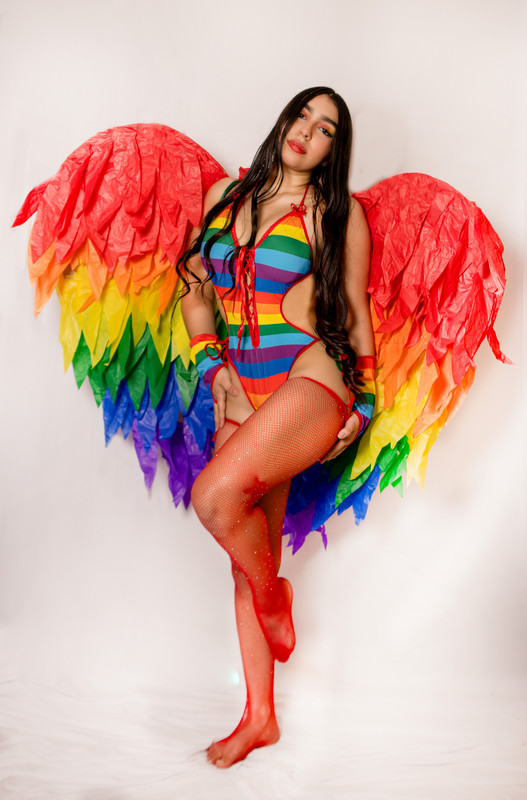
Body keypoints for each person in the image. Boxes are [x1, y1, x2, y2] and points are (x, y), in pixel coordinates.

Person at [177, 86, 375, 768]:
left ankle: (273, 598)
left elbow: (354, 310)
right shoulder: (223, 199)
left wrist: (364, 403)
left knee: (213, 497)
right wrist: (210, 363)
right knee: (244, 555)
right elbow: (194, 291)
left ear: (332, 151)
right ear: (284, 120)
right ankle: (259, 717)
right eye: (302, 116)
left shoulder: (334, 212)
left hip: (309, 380)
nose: (307, 132)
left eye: (326, 129)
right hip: (239, 386)